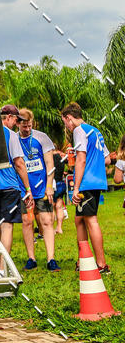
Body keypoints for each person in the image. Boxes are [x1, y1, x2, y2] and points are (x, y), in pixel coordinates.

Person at [61, 102, 112, 273]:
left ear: (69, 118)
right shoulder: (95, 131)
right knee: (79, 220)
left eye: (65, 122)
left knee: (90, 220)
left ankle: (101, 265)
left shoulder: (79, 130)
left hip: (86, 183)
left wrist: (75, 188)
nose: (66, 127)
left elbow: (81, 159)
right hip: (96, 181)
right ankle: (83, 260)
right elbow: (107, 159)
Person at [0, 105, 33, 263]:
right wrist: (28, 189)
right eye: (16, 120)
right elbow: (19, 163)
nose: (17, 123)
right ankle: (4, 268)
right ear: (9, 117)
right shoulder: (10, 135)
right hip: (8, 186)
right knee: (7, 225)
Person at [16, 109, 59, 271]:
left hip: (42, 188)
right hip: (24, 190)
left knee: (47, 221)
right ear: (18, 124)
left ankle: (51, 259)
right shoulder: (14, 139)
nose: (27, 128)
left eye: (29, 125)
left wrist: (49, 186)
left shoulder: (42, 138)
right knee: (27, 222)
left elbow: (50, 164)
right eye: (24, 126)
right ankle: (31, 258)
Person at [52, 147, 68, 234]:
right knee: (59, 207)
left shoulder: (50, 158)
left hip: (54, 185)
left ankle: (51, 228)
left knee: (51, 207)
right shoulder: (61, 158)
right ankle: (59, 228)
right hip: (61, 184)